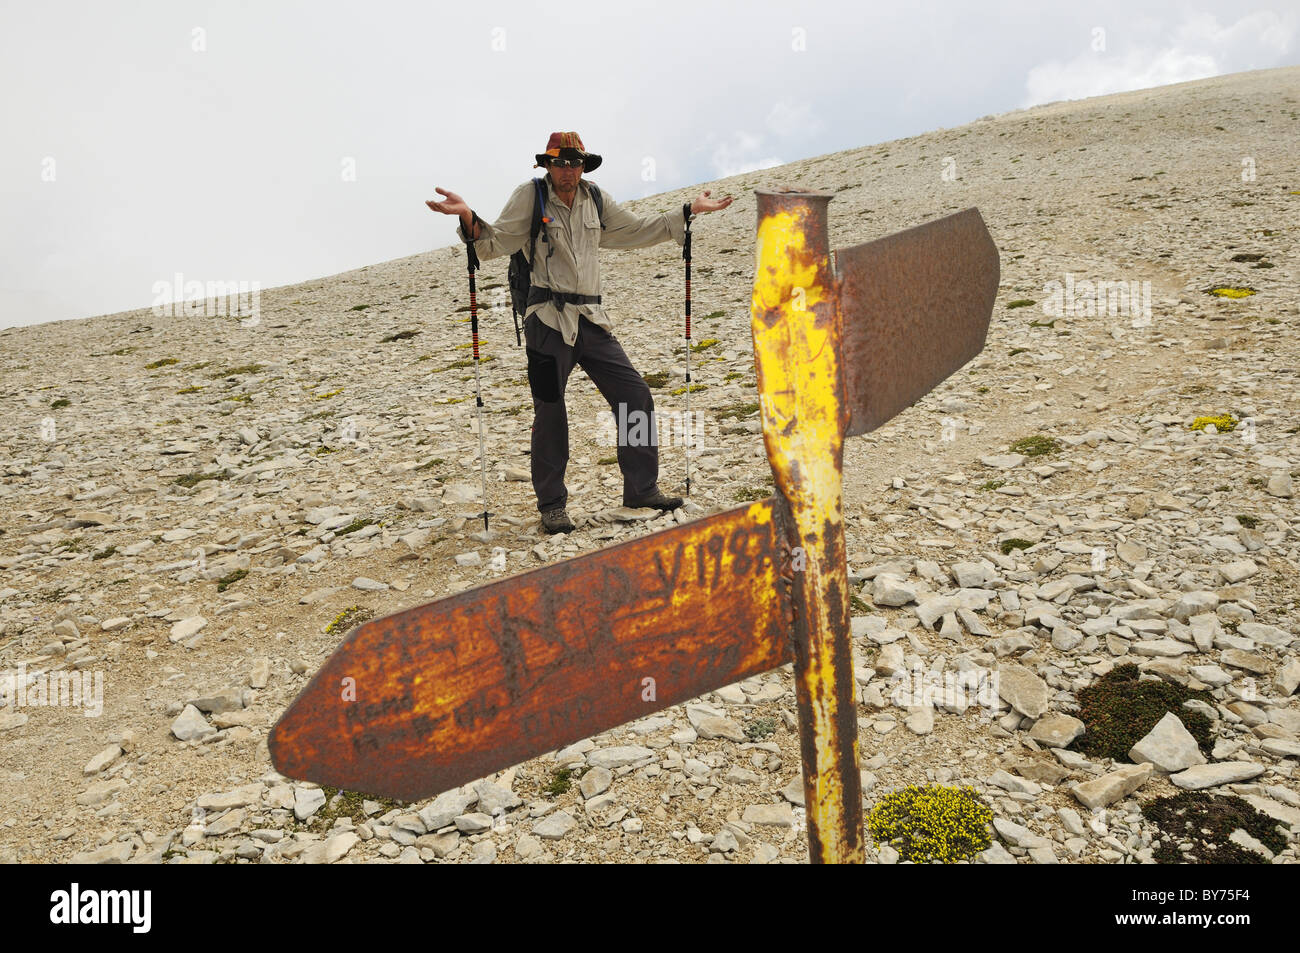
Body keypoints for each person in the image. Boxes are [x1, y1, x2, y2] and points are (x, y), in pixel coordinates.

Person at [426, 131, 733, 534]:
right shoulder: (530, 196)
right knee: (550, 410)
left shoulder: (596, 199)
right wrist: (467, 216)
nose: (568, 171)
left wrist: (687, 211)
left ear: (583, 165)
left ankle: (641, 489)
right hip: (546, 321)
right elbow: (496, 242)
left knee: (634, 394)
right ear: (547, 165)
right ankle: (552, 505)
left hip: (591, 318)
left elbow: (637, 230)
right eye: (560, 163)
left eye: (574, 163)